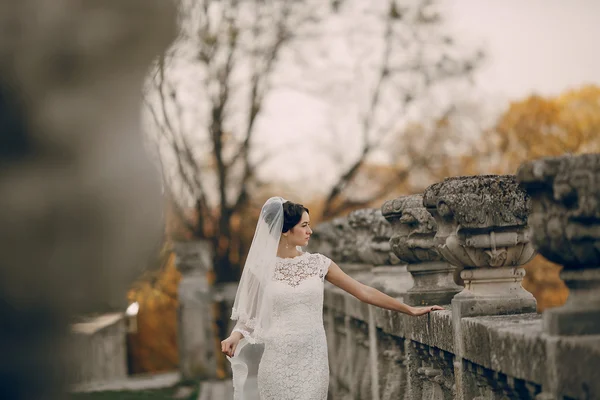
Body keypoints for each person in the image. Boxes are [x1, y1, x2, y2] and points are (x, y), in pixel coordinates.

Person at [221, 197, 443, 400]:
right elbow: (249, 314)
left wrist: (409, 309)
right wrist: (235, 336)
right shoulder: (260, 269)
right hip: (277, 360)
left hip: (312, 359)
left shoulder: (319, 263)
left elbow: (363, 291)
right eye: (304, 225)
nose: (310, 231)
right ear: (286, 230)